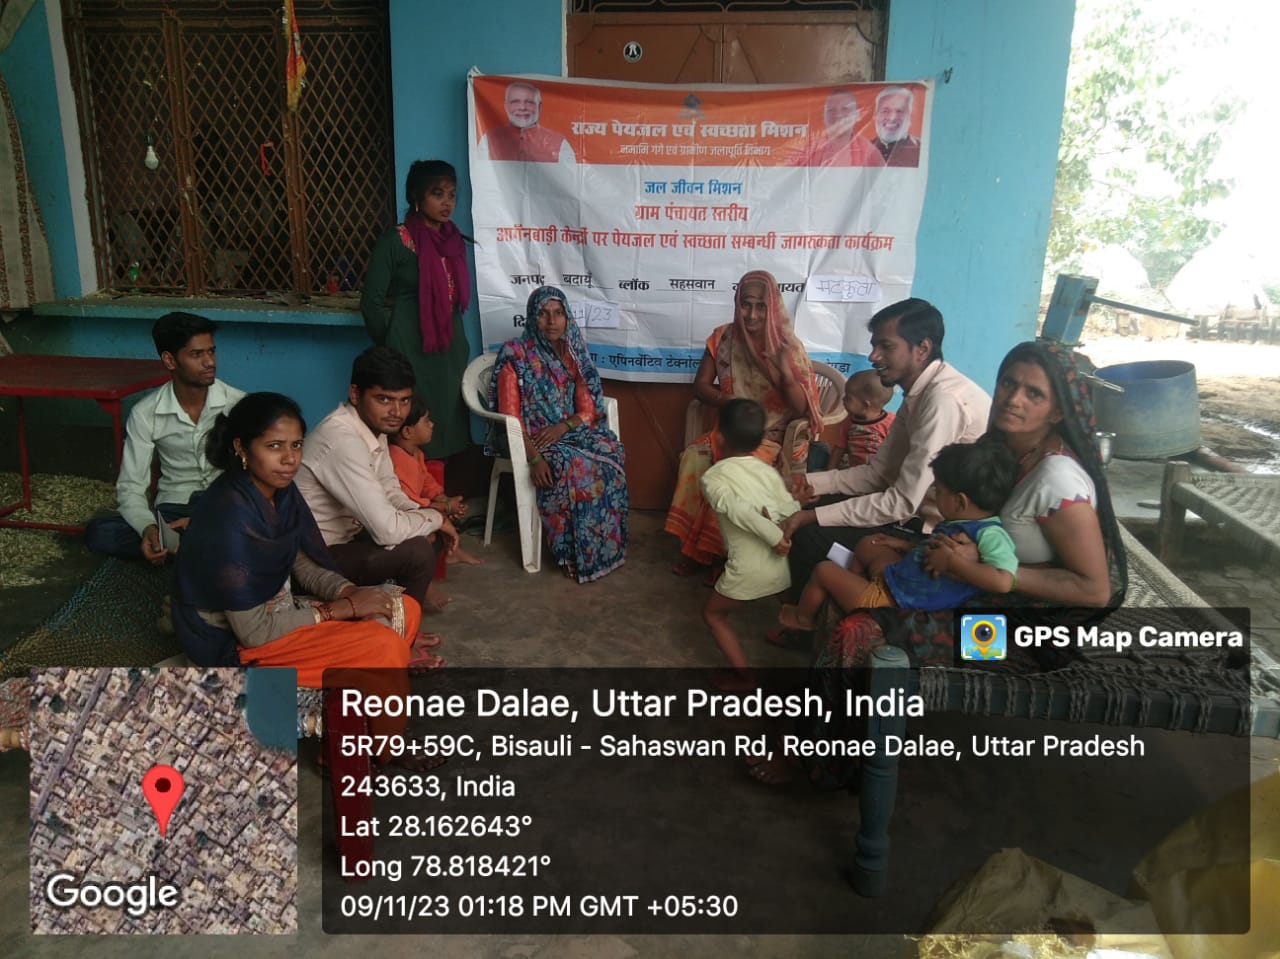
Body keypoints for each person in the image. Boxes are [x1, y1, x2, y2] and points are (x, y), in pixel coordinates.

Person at [172, 393, 442, 765]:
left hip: (280, 610)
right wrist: (342, 610)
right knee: (382, 648)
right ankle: (381, 747)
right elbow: (254, 632)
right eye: (274, 446)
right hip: (235, 644)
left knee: (402, 607)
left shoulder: (279, 493)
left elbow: (304, 566)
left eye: (296, 445)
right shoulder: (229, 521)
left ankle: (357, 704)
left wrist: (351, 591)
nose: (289, 459)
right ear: (241, 448)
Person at [782, 298, 990, 598]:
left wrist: (814, 516)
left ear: (922, 349)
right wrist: (804, 481)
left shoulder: (942, 401)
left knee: (809, 533)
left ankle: (805, 614)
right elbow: (877, 474)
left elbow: (902, 502)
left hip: (935, 531)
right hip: (909, 512)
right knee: (810, 505)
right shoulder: (919, 393)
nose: (873, 356)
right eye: (874, 345)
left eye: (885, 346)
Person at [295, 346, 458, 651]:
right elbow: (386, 530)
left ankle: (399, 628)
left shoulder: (374, 430)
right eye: (384, 399)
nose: (397, 412)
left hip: (351, 536)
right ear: (355, 394)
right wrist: (435, 517)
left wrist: (429, 517)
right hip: (316, 557)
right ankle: (399, 643)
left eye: (404, 401)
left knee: (425, 533)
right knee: (418, 551)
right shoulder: (341, 438)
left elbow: (391, 491)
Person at [664, 270, 823, 575]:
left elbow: (802, 408)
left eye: (760, 306)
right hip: (731, 429)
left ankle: (723, 555)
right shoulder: (723, 338)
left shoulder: (787, 346)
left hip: (772, 435)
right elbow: (701, 387)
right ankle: (696, 550)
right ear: (737, 303)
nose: (751, 314)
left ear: (773, 307)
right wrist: (729, 401)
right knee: (695, 459)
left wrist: (785, 374)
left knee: (734, 473)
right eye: (745, 304)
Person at [780, 441, 1017, 629]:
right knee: (870, 544)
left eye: (938, 490)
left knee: (824, 570)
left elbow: (1003, 581)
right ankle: (855, 586)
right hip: (901, 581)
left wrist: (951, 562)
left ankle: (803, 619)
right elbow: (933, 550)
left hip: (897, 602)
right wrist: (903, 544)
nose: (934, 494)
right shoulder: (961, 522)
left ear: (960, 501)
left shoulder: (991, 535)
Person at [488, 285, 628, 583]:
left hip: (566, 433)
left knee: (611, 451)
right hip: (530, 440)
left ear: (567, 318)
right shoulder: (515, 355)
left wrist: (563, 427)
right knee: (571, 467)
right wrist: (534, 457)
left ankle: (605, 549)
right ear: (531, 317)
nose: (552, 321)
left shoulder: (573, 353)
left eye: (558, 313)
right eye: (543, 314)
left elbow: (587, 410)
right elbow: (510, 418)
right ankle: (570, 554)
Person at [85, 312, 244, 563]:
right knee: (99, 533)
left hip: (225, 506)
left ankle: (191, 547)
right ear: (170, 360)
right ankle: (186, 546)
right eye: (196, 354)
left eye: (211, 352)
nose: (209, 362)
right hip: (174, 510)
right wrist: (149, 529)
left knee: (252, 523)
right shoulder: (146, 413)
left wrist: (208, 518)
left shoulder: (238, 404)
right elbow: (131, 487)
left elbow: (256, 477)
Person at [361, 159, 472, 463]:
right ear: (417, 197)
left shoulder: (453, 241)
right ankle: (409, 485)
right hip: (409, 346)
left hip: (448, 350)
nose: (447, 202)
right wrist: (391, 346)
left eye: (452, 195)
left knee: (446, 421)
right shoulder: (396, 241)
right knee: (411, 419)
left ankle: (438, 486)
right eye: (437, 194)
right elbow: (371, 302)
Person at [700, 399, 801, 675]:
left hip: (749, 569)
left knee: (713, 615)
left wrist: (774, 537)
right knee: (788, 601)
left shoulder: (713, 478)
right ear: (760, 441)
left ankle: (744, 677)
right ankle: (798, 631)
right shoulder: (768, 471)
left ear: (718, 438)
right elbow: (789, 510)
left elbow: (738, 510)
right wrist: (785, 531)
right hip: (783, 567)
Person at [389, 395, 483, 569]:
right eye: (426, 421)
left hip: (417, 508)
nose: (431, 425)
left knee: (442, 514)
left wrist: (444, 499)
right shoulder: (398, 459)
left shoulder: (415, 453)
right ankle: (423, 577)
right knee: (430, 535)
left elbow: (426, 482)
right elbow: (408, 502)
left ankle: (453, 552)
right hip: (401, 516)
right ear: (407, 432)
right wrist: (444, 507)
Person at [479, 81, 576, 163]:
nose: (522, 107)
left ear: (539, 107)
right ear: (506, 106)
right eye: (515, 102)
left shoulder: (560, 143)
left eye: (529, 102)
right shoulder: (489, 139)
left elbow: (570, 178)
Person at [790, 88, 886, 168]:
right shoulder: (809, 150)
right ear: (824, 115)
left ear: (857, 115)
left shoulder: (869, 152)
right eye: (831, 110)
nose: (838, 115)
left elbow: (885, 181)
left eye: (845, 109)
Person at [830, 369, 896, 469]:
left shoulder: (892, 423)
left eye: (848, 397)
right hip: (854, 472)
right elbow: (839, 448)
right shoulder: (849, 422)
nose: (843, 399)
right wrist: (830, 471)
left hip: (880, 473)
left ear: (865, 405)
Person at [866, 86, 922, 167]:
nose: (892, 118)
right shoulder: (863, 150)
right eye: (885, 111)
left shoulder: (921, 150)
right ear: (875, 115)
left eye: (899, 111)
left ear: (910, 116)